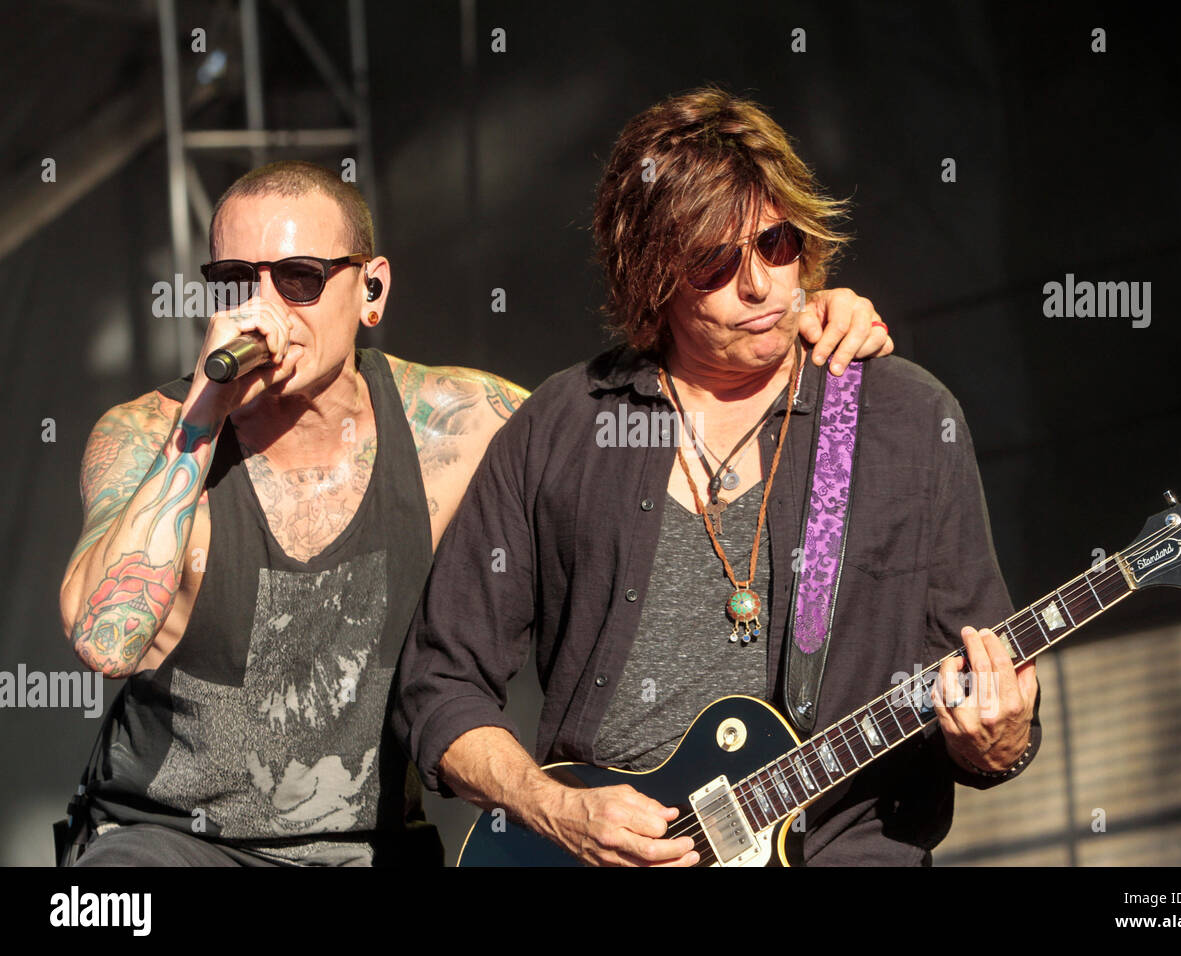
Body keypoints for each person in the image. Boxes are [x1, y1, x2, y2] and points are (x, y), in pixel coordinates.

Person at [58, 159, 893, 866]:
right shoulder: (148, 434)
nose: (265, 308)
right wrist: (203, 414)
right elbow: (106, 639)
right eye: (235, 282)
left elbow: (656, 419)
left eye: (300, 280)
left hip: (375, 843)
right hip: (164, 841)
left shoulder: (467, 423)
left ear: (372, 289)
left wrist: (793, 326)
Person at [394, 88, 1042, 867]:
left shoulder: (903, 419)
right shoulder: (563, 425)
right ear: (650, 277)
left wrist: (997, 740)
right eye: (714, 261)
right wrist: (554, 808)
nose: (761, 285)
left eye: (777, 242)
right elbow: (439, 683)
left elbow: (988, 698)